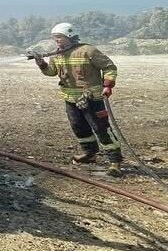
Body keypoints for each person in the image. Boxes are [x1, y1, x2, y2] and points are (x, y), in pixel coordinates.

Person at [34, 23, 123, 174]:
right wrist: (42, 64)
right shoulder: (58, 54)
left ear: (69, 35)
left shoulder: (88, 51)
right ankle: (89, 154)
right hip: (70, 99)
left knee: (101, 128)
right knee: (79, 128)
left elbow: (109, 67)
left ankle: (115, 162)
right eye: (55, 38)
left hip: (92, 99)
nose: (57, 41)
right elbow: (51, 72)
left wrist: (108, 85)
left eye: (59, 37)